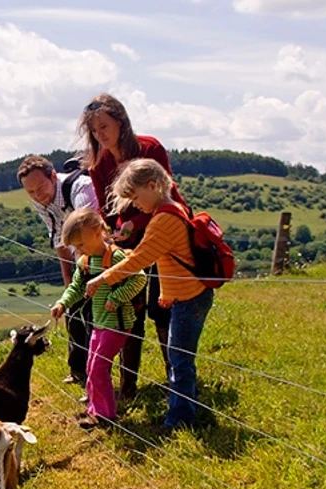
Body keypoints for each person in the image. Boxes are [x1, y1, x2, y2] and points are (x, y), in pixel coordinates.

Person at [86, 158, 212, 432]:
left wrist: (103, 276)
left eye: (135, 196)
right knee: (179, 356)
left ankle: (180, 419)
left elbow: (141, 260)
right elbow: (163, 257)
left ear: (153, 185)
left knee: (179, 359)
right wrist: (166, 294)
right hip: (185, 296)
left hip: (189, 299)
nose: (134, 205)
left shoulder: (164, 219)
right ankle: (185, 408)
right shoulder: (169, 211)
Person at [77, 93, 186, 400]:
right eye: (94, 129)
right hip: (127, 242)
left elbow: (164, 193)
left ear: (120, 121)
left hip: (164, 234)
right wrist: (110, 233)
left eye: (104, 126)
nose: (100, 134)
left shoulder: (149, 148)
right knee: (128, 308)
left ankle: (175, 381)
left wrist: (133, 225)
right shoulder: (99, 164)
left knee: (163, 307)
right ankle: (128, 386)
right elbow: (107, 208)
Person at [50, 208, 147, 429]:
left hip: (117, 323)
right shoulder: (86, 261)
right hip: (99, 322)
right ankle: (94, 409)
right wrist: (63, 303)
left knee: (98, 368)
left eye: (82, 244)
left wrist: (117, 296)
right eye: (76, 247)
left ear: (97, 232)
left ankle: (106, 416)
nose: (79, 250)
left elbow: (139, 278)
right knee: (91, 365)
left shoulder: (115, 257)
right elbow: (76, 286)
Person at [17, 154, 99, 385]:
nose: (38, 195)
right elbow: (59, 238)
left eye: (41, 186)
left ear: (53, 176)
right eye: (30, 192)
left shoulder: (81, 189)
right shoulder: (39, 199)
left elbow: (87, 232)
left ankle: (98, 375)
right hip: (78, 254)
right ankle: (78, 371)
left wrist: (82, 279)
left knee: (95, 316)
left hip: (102, 253)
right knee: (73, 309)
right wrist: (68, 284)